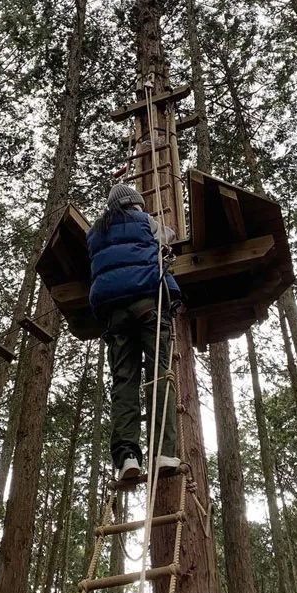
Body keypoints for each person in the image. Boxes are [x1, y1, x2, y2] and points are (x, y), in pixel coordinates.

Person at [86, 183, 182, 480]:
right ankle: (164, 453)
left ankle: (126, 457)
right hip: (147, 304)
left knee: (124, 383)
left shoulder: (95, 232)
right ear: (134, 204)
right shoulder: (144, 221)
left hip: (115, 315)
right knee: (157, 375)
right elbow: (169, 237)